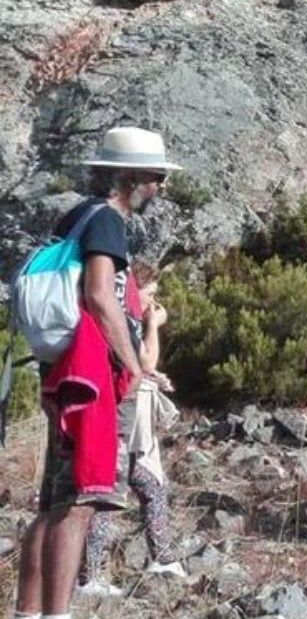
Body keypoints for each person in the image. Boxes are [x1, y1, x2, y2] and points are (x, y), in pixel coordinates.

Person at [16, 127, 178, 619]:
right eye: (155, 176)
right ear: (131, 177)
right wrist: (136, 367)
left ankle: (29, 611)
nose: (161, 186)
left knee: (56, 502)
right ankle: (56, 614)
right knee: (81, 501)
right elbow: (99, 295)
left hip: (64, 373)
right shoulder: (107, 219)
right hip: (94, 378)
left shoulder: (75, 216)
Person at [78, 263, 185, 597]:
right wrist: (153, 325)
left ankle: (162, 557)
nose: (152, 302)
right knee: (111, 490)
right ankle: (90, 575)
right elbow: (147, 361)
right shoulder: (126, 318)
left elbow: (140, 367)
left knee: (150, 485)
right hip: (119, 416)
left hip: (122, 413)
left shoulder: (117, 316)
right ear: (135, 290)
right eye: (150, 294)